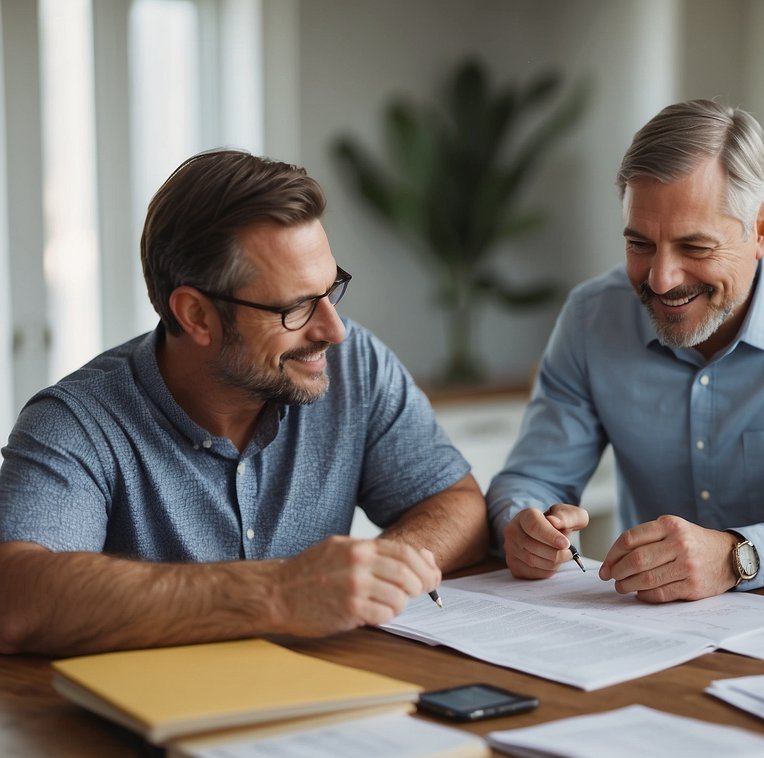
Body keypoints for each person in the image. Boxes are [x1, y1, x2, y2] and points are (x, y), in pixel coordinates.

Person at [0, 150, 488, 656]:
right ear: (197, 316)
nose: (333, 330)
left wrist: (372, 574)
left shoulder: (354, 364)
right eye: (296, 307)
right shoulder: (77, 422)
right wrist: (278, 592)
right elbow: (16, 597)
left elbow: (459, 507)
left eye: (330, 289)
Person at [486, 99, 764, 602]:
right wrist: (525, 524)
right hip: (652, 627)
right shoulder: (590, 318)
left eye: (695, 248)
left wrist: (739, 555)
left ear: (760, 229)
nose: (661, 278)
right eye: (640, 244)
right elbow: (532, 477)